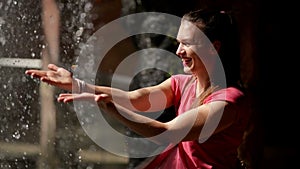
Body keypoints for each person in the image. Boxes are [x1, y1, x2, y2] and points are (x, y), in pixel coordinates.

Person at [25, 8, 250, 169]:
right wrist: (78, 84)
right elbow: (137, 98)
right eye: (179, 42)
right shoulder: (183, 83)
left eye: (188, 44)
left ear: (214, 48)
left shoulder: (229, 101)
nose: (179, 50)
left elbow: (166, 133)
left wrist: (113, 109)